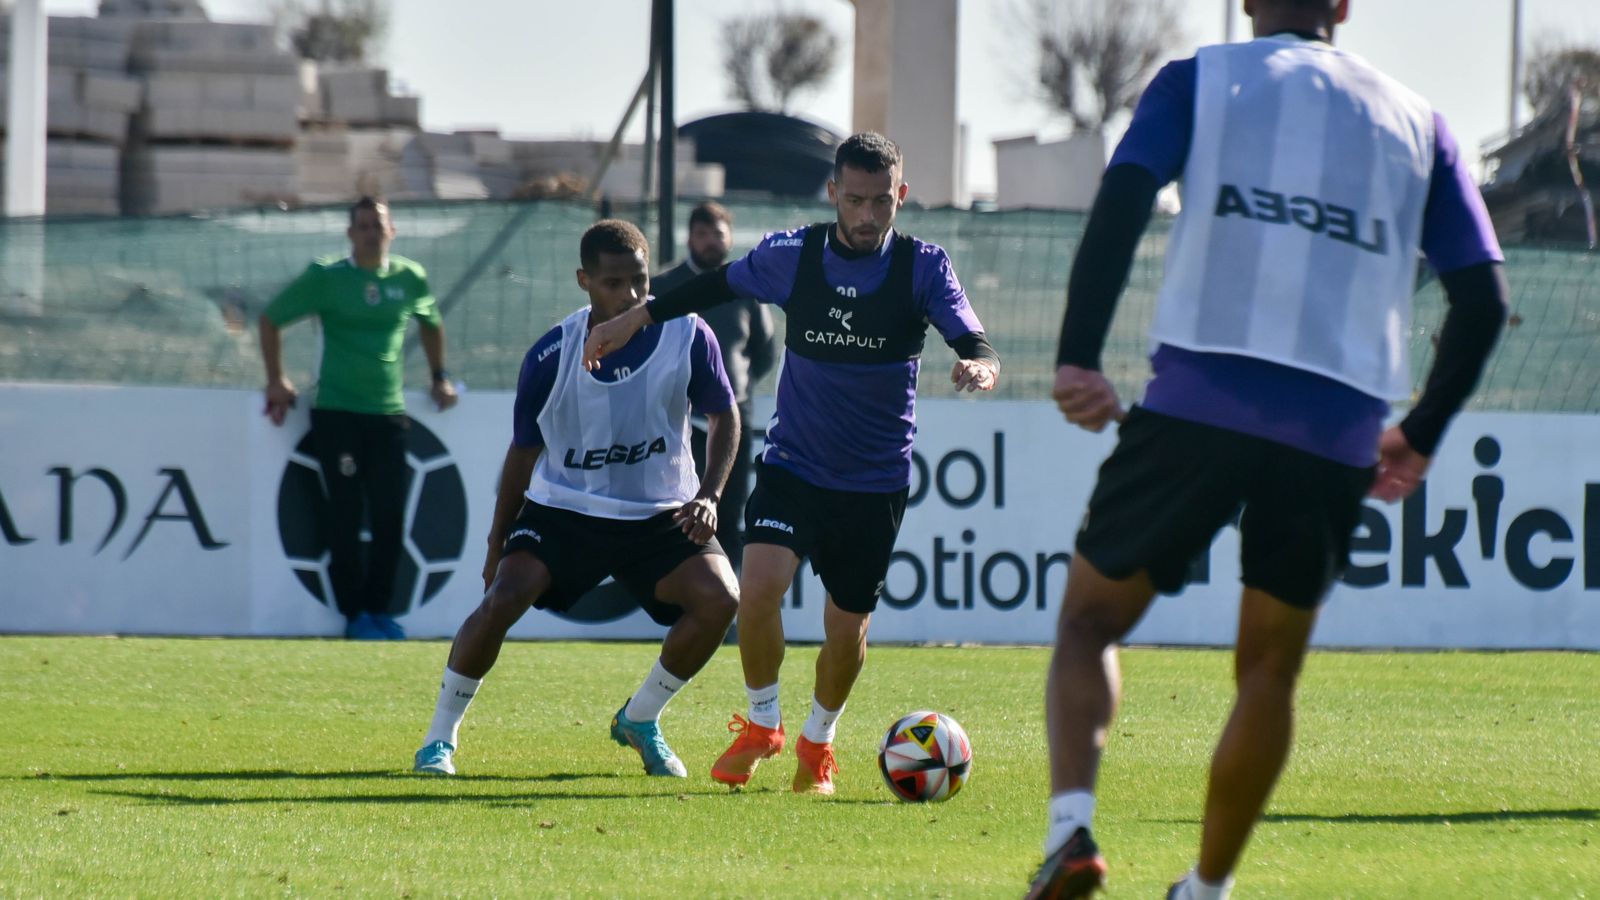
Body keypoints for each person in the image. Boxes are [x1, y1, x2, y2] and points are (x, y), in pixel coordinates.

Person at [1025, 2, 1509, 897]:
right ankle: (1206, 889)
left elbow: (1126, 195)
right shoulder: (1420, 121)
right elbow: (1481, 300)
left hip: (1198, 407)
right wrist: (1424, 430)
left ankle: (1073, 833)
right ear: (1345, 8)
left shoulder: (1201, 78)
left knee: (1089, 622)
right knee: (1270, 670)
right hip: (1333, 433)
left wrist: (1078, 354)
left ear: (1250, 2)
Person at [584, 133, 1001, 795]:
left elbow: (970, 334)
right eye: (854, 200)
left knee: (847, 631)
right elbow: (711, 285)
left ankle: (819, 741)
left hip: (874, 482)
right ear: (834, 193)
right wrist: (634, 319)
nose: (866, 216)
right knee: (758, 589)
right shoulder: (794, 256)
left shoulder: (923, 267)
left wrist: (981, 364)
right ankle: (763, 725)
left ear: (901, 195)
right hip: (795, 464)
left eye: (880, 202)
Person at [412, 219, 740, 779]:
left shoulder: (687, 333)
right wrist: (497, 542)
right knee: (502, 599)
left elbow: (724, 415)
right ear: (584, 280)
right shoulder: (552, 355)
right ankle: (439, 739)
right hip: (565, 510)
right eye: (614, 283)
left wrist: (709, 494)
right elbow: (521, 456)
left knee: (722, 599)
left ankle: (641, 719)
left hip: (659, 514)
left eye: (639, 280)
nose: (632, 295)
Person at [259, 196, 459, 641]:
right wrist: (277, 379)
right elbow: (271, 319)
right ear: (350, 233)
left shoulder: (410, 278)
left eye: (378, 225)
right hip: (336, 411)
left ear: (393, 232)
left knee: (390, 516)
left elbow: (431, 321)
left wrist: (440, 376)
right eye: (363, 225)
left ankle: (381, 612)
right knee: (345, 514)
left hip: (388, 413)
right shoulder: (325, 278)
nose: (371, 232)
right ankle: (354, 615)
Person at [653, 201, 777, 569]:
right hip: (675, 423)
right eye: (701, 234)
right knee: (671, 513)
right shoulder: (664, 287)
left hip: (733, 419)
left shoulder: (746, 289)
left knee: (728, 510)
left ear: (729, 238)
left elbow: (764, 351)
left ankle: (726, 606)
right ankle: (679, 602)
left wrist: (732, 390)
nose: (709, 242)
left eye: (717, 234)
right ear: (689, 238)